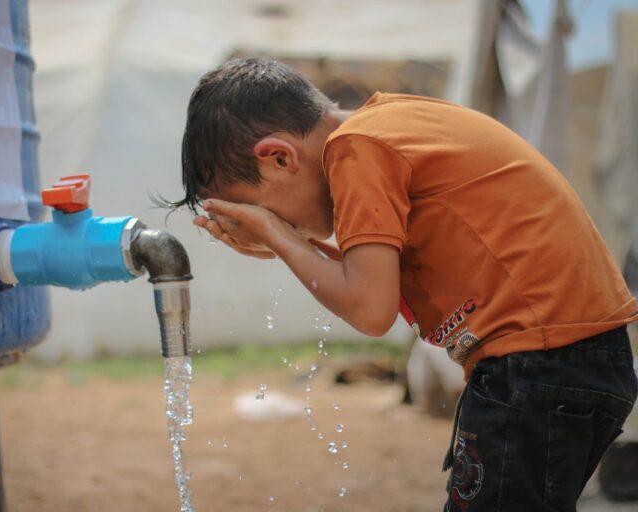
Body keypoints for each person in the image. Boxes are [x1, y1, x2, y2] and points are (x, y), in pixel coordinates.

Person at [166, 57, 638, 510]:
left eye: (261, 211)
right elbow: (373, 283)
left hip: (538, 363)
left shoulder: (355, 149)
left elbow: (370, 310)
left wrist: (278, 236)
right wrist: (288, 240)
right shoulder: (385, 127)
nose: (273, 225)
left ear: (279, 157)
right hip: (573, 358)